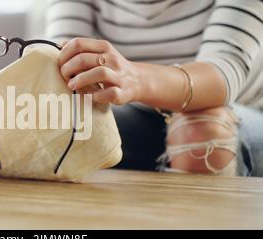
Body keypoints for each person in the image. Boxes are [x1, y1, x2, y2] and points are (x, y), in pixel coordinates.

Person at [45, 0, 263, 176]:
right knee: (56, 130)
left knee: (202, 128)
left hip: (235, 114)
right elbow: (62, 69)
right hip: (135, 113)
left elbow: (222, 77)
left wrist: (137, 79)